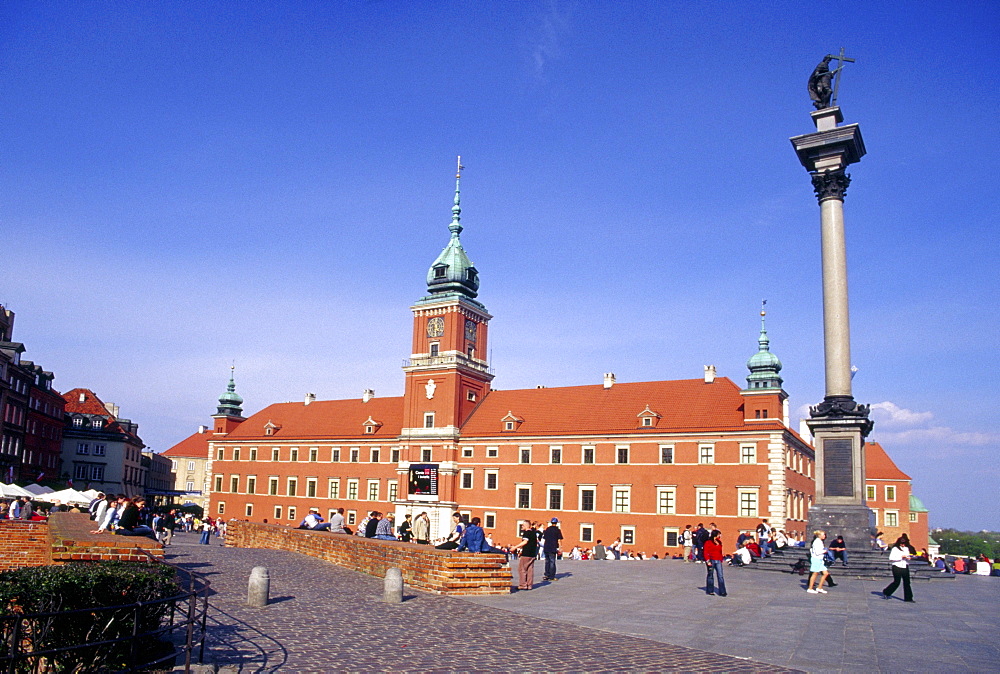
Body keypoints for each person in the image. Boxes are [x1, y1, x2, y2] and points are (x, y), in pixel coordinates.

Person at [882, 535, 915, 602]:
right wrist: (901, 557)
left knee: (907, 582)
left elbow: (907, 556)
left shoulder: (906, 548)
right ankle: (887, 592)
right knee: (897, 582)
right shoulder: (895, 549)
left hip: (905, 566)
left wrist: (909, 558)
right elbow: (891, 558)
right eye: (901, 544)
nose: (903, 545)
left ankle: (908, 598)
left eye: (904, 544)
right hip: (896, 566)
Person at [511, 522, 539, 590]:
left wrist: (515, 547)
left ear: (526, 526)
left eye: (522, 525)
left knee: (522, 569)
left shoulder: (526, 533)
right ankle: (529, 585)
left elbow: (525, 542)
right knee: (530, 569)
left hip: (526, 553)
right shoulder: (534, 533)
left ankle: (523, 585)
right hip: (532, 553)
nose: (522, 527)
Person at [703, 529, 727, 596]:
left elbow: (720, 551)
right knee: (710, 575)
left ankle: (722, 591)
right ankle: (710, 590)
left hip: (718, 560)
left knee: (720, 576)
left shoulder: (719, 542)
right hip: (711, 560)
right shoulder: (708, 542)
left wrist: (721, 559)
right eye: (719, 534)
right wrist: (707, 560)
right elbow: (705, 552)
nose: (720, 536)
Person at [806, 530, 830, 594]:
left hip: (820, 559)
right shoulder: (817, 542)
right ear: (819, 535)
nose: (824, 536)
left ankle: (819, 587)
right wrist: (824, 551)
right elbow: (817, 552)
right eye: (823, 534)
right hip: (816, 559)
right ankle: (810, 588)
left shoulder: (820, 541)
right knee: (815, 573)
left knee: (825, 573)